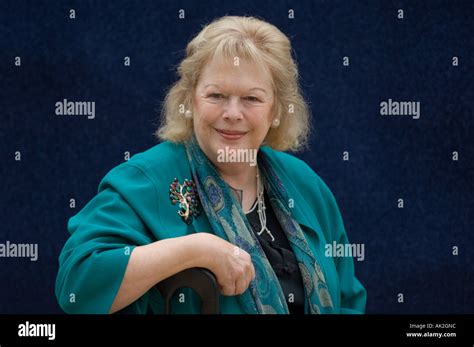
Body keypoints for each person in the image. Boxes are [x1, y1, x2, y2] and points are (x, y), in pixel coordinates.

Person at [55, 15, 366, 314]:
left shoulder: (305, 184)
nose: (232, 112)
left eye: (252, 99)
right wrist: (196, 249)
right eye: (216, 95)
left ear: (277, 111)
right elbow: (77, 286)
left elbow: (349, 299)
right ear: (190, 100)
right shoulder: (145, 180)